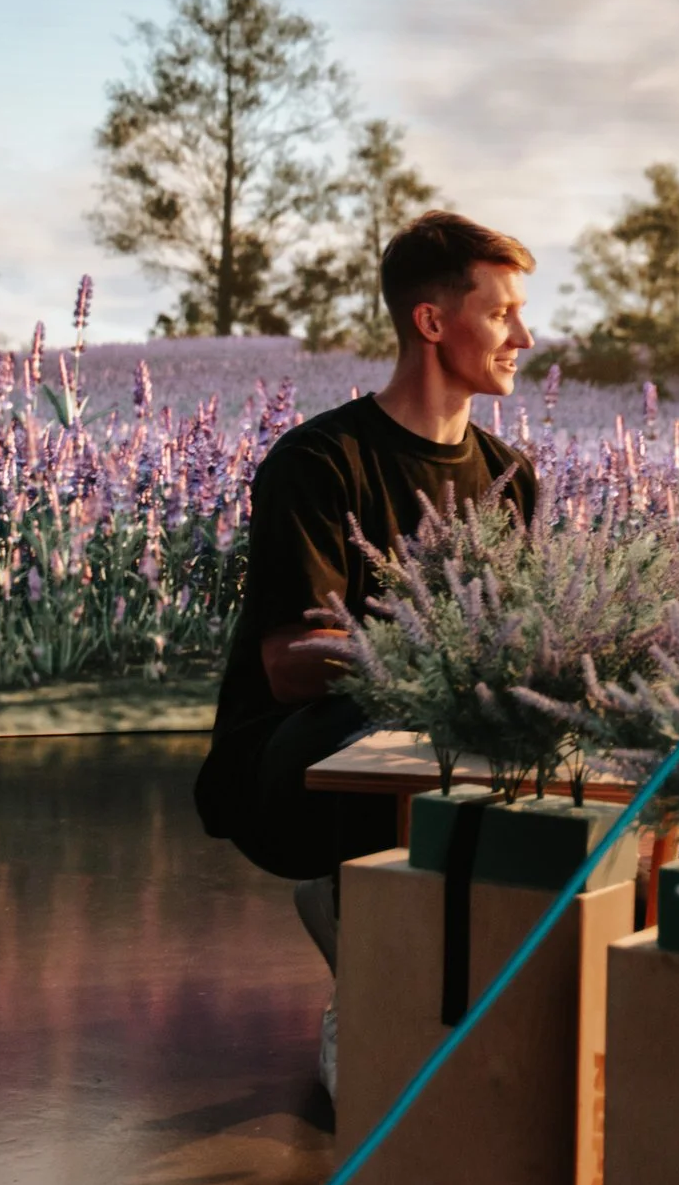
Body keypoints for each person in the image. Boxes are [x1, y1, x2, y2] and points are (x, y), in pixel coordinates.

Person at [195, 211, 540, 972]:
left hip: (443, 733)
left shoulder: (511, 478)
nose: (526, 338)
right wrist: (448, 657)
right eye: (501, 313)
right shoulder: (318, 461)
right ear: (431, 320)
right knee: (401, 716)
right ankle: (368, 989)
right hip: (296, 761)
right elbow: (290, 665)